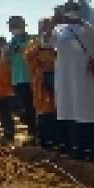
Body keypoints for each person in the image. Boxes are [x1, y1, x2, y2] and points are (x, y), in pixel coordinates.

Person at [52, 0, 94, 161]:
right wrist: (48, 27)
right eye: (68, 9)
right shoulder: (59, 29)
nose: (71, 12)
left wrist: (82, 22)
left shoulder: (93, 25)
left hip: (90, 77)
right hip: (67, 79)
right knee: (71, 110)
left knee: (93, 110)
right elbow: (48, 43)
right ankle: (75, 148)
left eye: (74, 9)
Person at [25, 18, 58, 150]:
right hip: (40, 82)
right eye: (42, 27)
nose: (45, 29)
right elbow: (27, 57)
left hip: (58, 80)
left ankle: (58, 141)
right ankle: (44, 142)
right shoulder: (34, 44)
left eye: (48, 26)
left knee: (57, 111)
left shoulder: (58, 41)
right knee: (43, 112)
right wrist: (40, 46)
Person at [7, 15, 38, 138]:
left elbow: (32, 51)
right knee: (21, 108)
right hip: (17, 80)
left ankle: (34, 133)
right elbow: (7, 61)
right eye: (12, 26)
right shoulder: (10, 44)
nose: (14, 28)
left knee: (32, 107)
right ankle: (32, 131)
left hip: (31, 78)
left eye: (16, 26)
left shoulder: (31, 40)